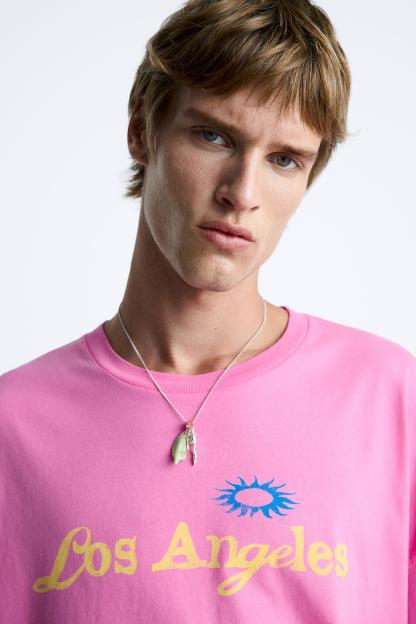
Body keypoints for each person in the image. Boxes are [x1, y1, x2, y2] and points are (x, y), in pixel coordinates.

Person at [0, 0, 415, 621]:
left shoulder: (389, 396)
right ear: (141, 129)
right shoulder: (13, 426)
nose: (241, 193)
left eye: (284, 159)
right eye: (214, 136)